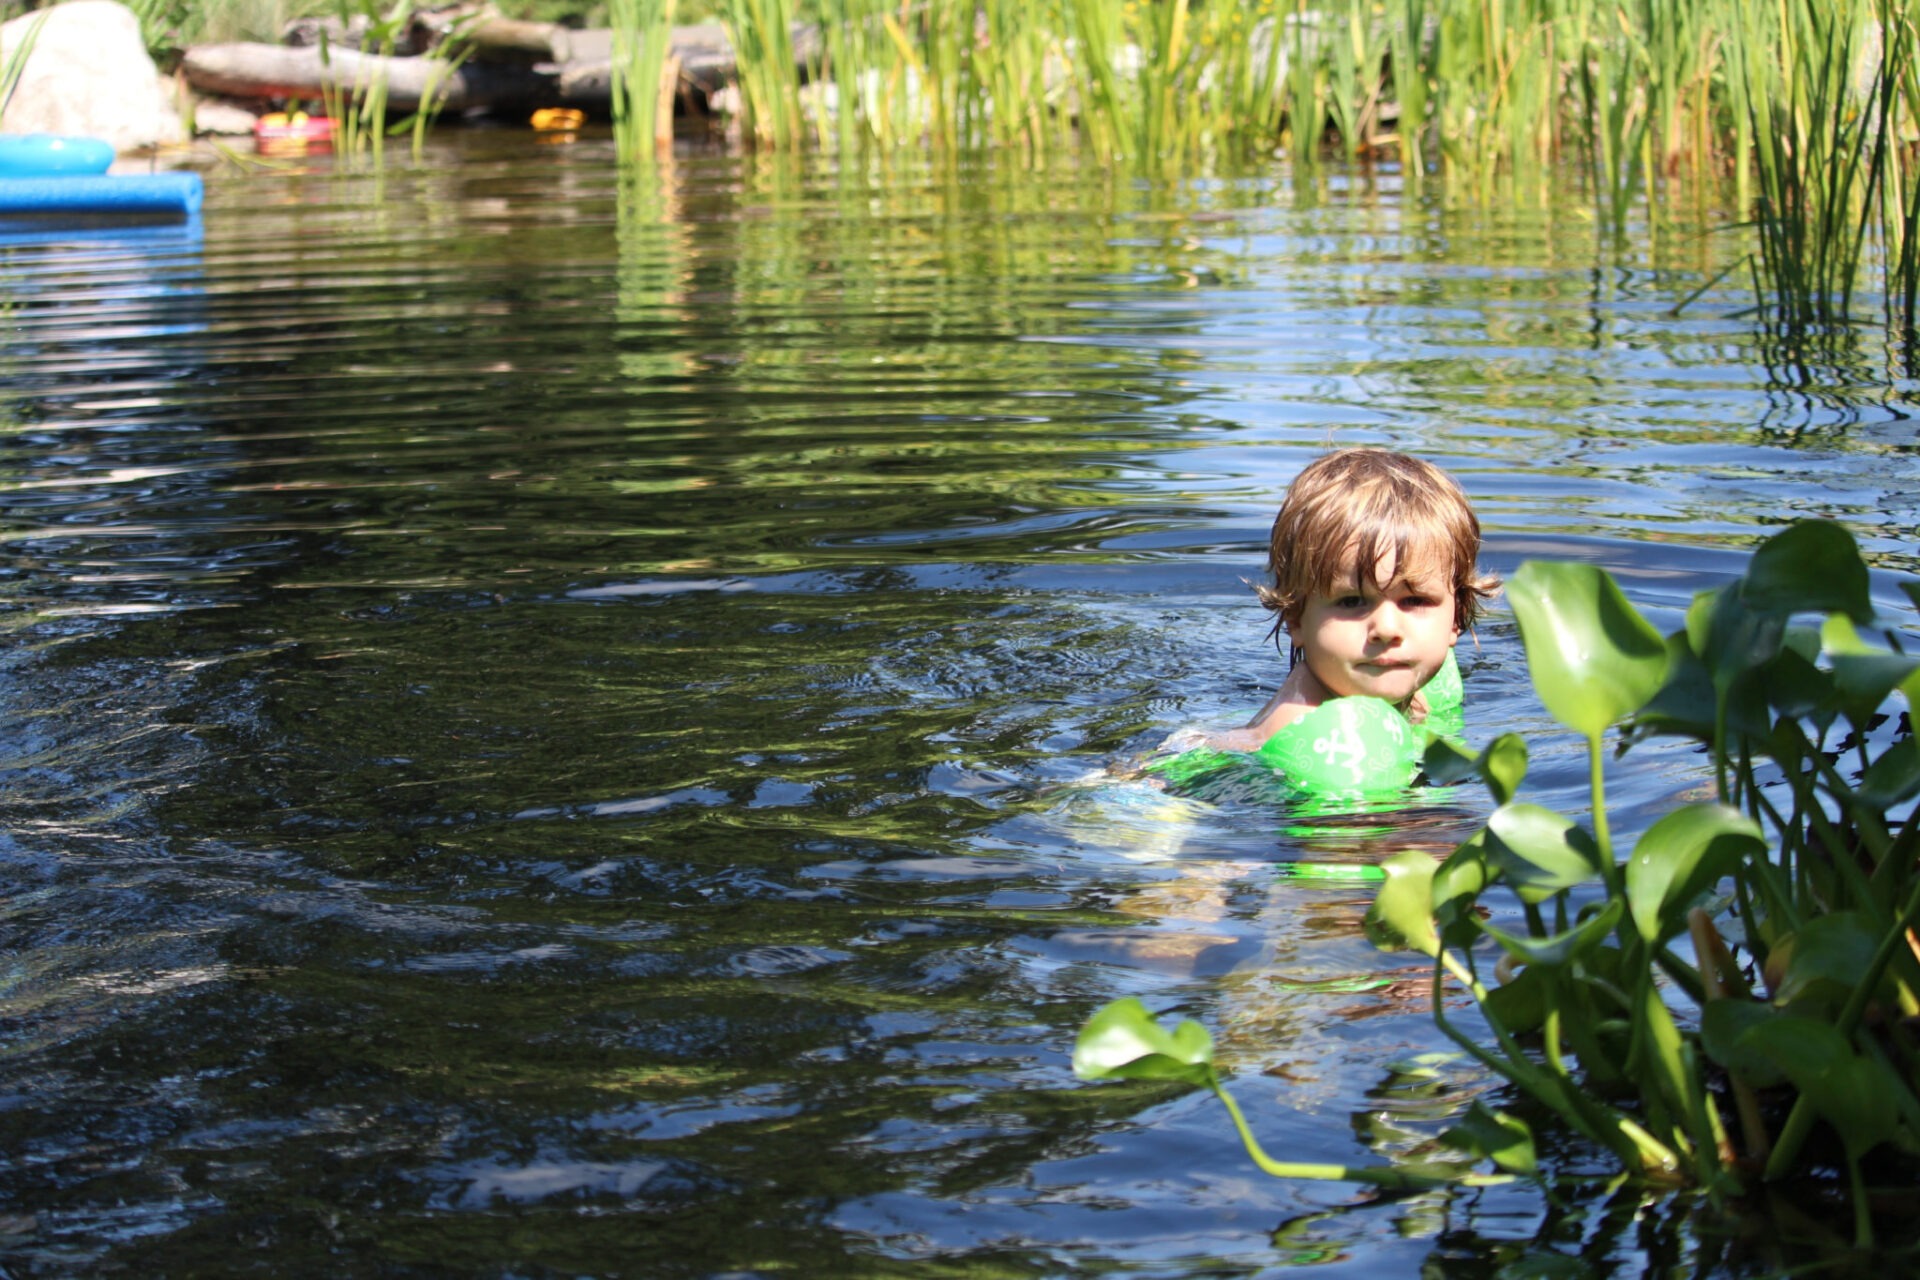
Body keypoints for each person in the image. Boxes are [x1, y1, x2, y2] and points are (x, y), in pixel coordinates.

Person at [1152, 448, 1499, 795]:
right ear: (1296, 620)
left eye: (1416, 601)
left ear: (1457, 617)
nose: (1388, 629)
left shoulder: (1418, 692)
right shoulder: (1301, 727)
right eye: (1351, 602)